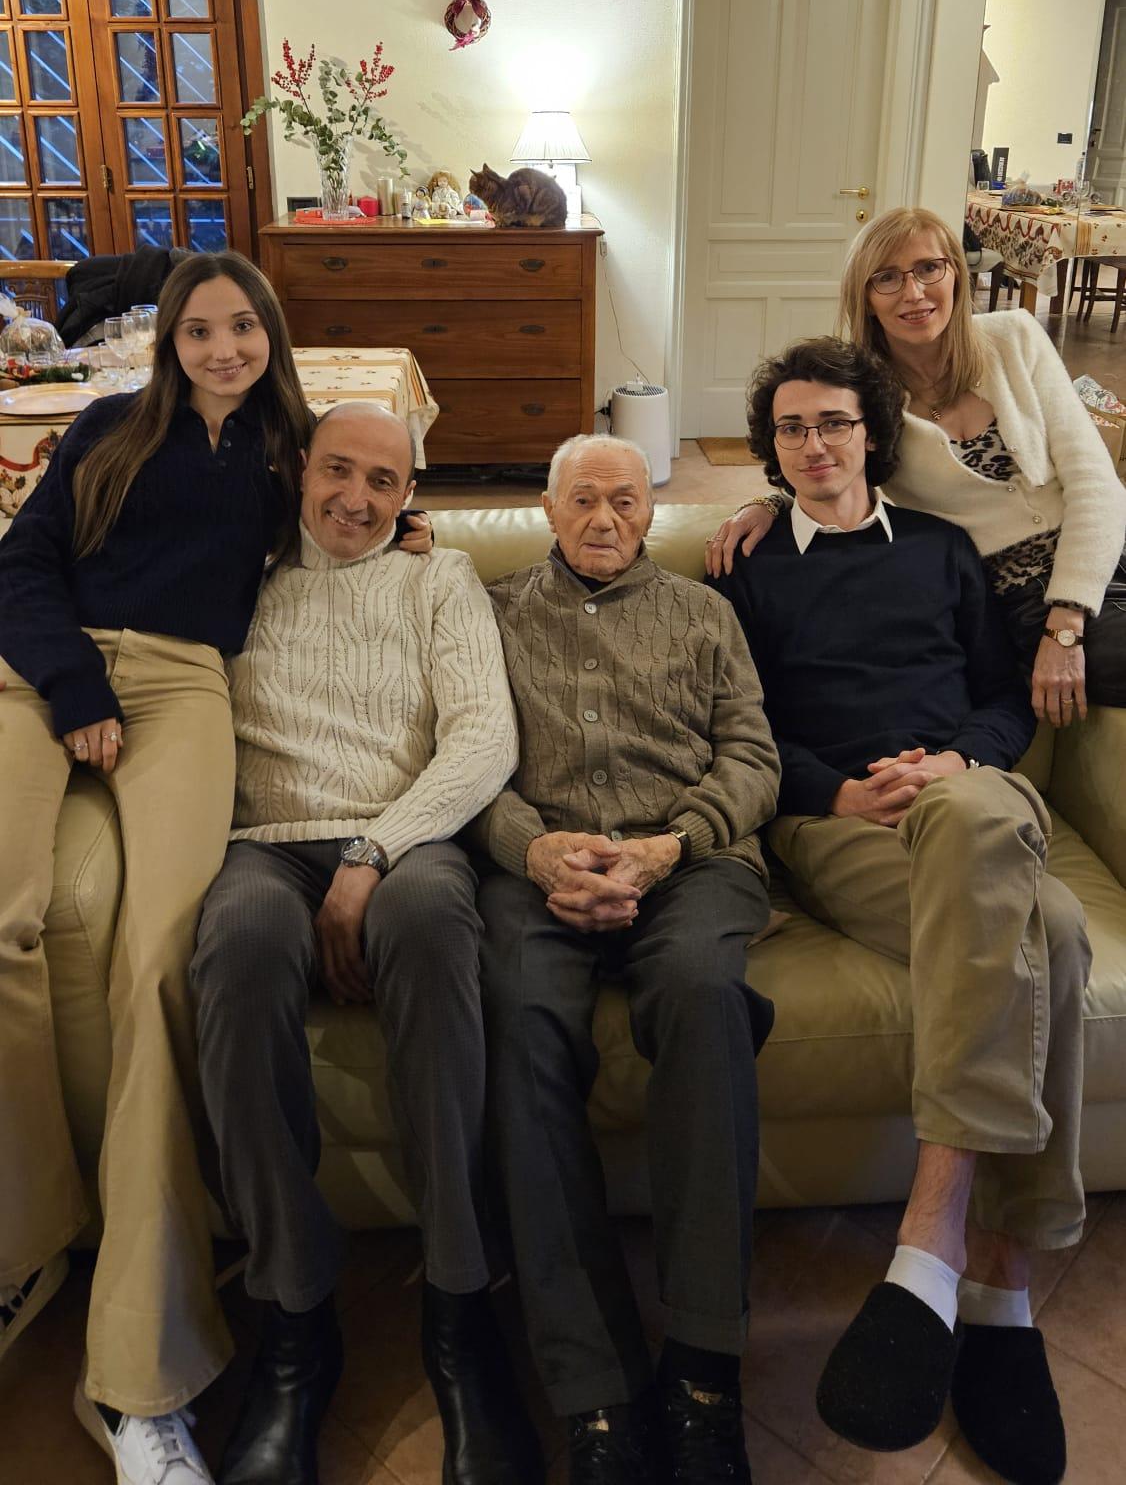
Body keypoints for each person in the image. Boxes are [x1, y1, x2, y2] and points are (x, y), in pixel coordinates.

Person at [710, 336, 1091, 1485]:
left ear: (872, 430)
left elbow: (1001, 695)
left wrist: (956, 761)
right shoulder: (747, 567)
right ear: (770, 447)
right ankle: (1000, 1283)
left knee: (974, 820)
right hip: (835, 826)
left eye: (832, 420)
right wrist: (834, 789)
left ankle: (931, 1248)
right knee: (1054, 932)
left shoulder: (939, 549)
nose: (812, 443)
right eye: (789, 427)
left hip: (962, 795)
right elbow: (740, 727)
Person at [0, 252, 313, 1484]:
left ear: (271, 334)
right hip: (40, 673)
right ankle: (28, 1245)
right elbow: (19, 568)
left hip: (186, 686)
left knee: (157, 974)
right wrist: (74, 687)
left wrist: (393, 522)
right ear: (168, 341)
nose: (223, 348)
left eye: (243, 327)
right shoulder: (105, 428)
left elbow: (361, 506)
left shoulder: (290, 451)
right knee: (4, 923)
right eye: (198, 330)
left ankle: (141, 1373)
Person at [190, 401, 541, 1485]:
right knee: (236, 946)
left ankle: (460, 1304)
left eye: (383, 481)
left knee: (434, 926)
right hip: (263, 843)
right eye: (337, 471)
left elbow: (483, 737)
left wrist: (373, 853)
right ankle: (294, 1312)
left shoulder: (440, 578)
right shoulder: (239, 572)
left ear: (411, 492)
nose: (356, 498)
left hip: (404, 840)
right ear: (299, 468)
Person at [471, 433, 780, 1485]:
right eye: (583, 500)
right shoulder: (492, 613)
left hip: (689, 863)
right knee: (516, 1012)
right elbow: (463, 756)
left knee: (701, 991)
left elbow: (753, 758)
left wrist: (669, 845)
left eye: (625, 500)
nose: (603, 518)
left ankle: (703, 1372)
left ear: (651, 511)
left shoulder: (704, 613)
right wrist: (532, 847)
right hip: (539, 872)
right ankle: (594, 1389)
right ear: (547, 510)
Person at [706, 206, 1126, 726]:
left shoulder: (1015, 337)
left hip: (1098, 556)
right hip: (1014, 598)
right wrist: (768, 502)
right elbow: (826, 459)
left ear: (956, 273)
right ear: (865, 297)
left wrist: (1068, 619)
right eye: (887, 278)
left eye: (929, 268)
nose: (914, 292)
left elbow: (1095, 480)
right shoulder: (864, 391)